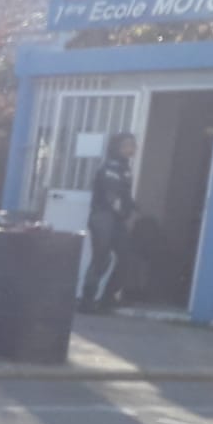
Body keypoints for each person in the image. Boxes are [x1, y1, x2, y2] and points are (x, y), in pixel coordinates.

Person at [81, 131, 137, 312]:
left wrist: (133, 210)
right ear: (116, 147)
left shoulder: (125, 168)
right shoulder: (109, 168)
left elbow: (125, 197)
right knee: (101, 258)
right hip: (103, 217)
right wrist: (125, 214)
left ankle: (107, 300)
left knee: (127, 257)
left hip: (116, 219)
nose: (131, 149)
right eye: (127, 145)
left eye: (133, 145)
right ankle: (87, 301)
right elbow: (112, 198)